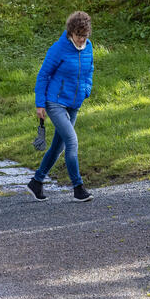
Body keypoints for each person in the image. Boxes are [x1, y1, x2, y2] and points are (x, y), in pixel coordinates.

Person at [27, 11, 94, 202]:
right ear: (71, 32)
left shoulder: (88, 47)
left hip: (74, 103)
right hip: (55, 102)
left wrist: (86, 89)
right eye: (79, 35)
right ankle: (78, 187)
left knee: (58, 145)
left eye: (85, 36)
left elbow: (90, 70)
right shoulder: (58, 49)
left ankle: (36, 182)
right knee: (71, 141)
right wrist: (40, 104)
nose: (81, 40)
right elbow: (43, 75)